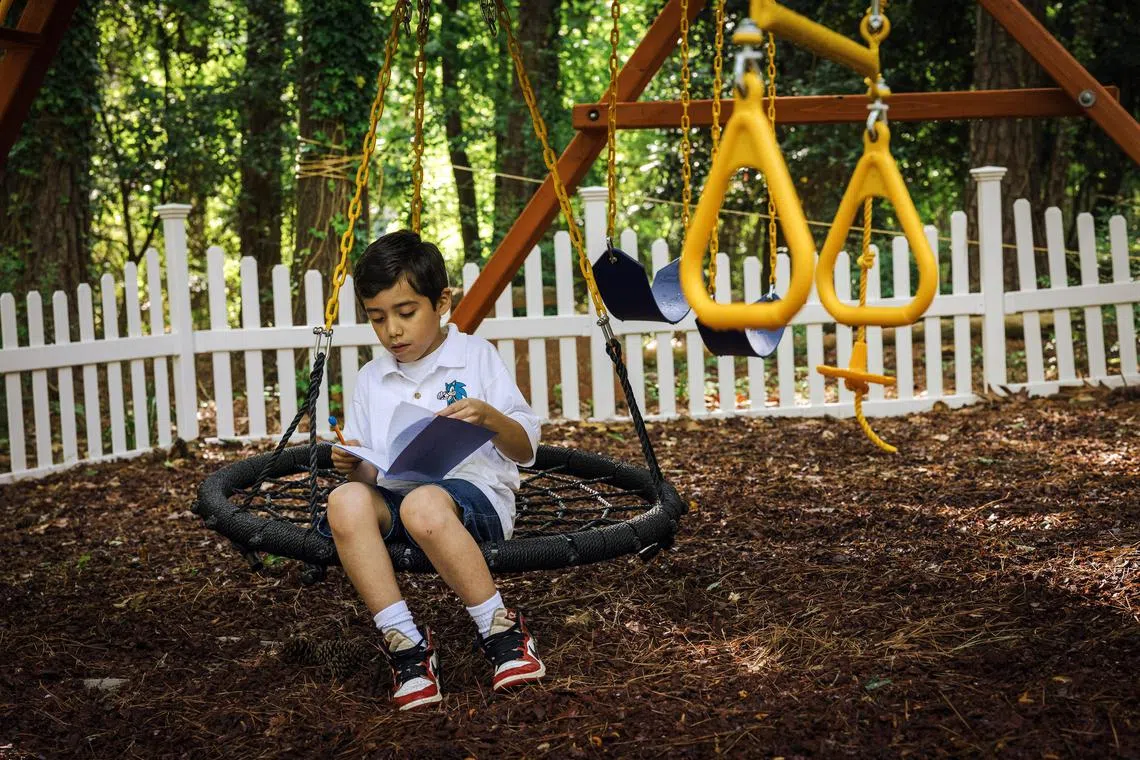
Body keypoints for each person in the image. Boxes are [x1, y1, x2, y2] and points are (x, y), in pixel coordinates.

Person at [321, 230, 545, 711]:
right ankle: (406, 644)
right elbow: (367, 484)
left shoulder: (475, 357)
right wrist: (355, 463)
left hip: (476, 500)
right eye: (377, 319)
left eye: (405, 313)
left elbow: (525, 448)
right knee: (343, 500)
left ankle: (501, 630)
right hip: (400, 498)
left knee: (424, 505)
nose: (392, 332)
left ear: (442, 302)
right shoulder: (370, 378)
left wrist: (489, 418)